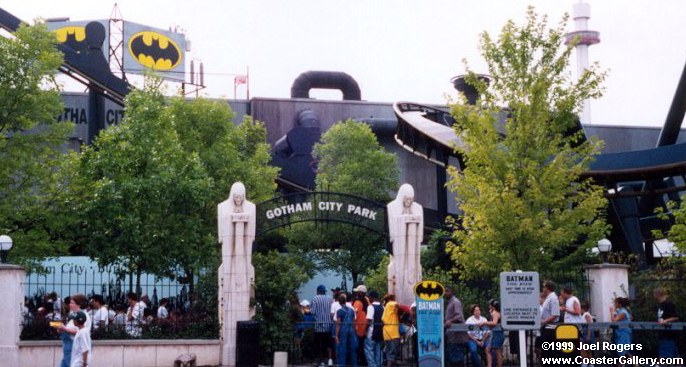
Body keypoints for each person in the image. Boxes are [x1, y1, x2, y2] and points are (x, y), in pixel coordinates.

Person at [53, 294, 91, 367]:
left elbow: (80, 331)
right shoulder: (74, 315)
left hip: (73, 345)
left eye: (72, 303)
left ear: (79, 304)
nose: (70, 305)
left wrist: (64, 328)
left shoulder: (83, 316)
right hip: (68, 347)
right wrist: (61, 329)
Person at [536, 280, 560, 364]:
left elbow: (556, 314)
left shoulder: (553, 298)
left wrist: (544, 321)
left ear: (547, 288)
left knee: (549, 353)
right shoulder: (549, 298)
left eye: (544, 287)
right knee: (546, 352)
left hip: (550, 328)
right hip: (546, 328)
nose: (542, 289)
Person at [653, 287, 680, 358]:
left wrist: (665, 321)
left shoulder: (669, 304)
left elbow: (675, 317)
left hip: (668, 333)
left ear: (658, 294)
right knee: (672, 354)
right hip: (662, 333)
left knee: (666, 354)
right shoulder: (660, 305)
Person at [311, 285, 334, 366]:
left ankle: (320, 361)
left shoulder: (315, 299)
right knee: (328, 344)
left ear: (318, 291)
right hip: (329, 326)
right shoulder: (330, 299)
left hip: (319, 327)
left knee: (319, 344)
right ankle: (329, 360)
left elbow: (313, 312)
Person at [444, 286, 467, 367]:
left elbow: (459, 317)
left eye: (447, 291)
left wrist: (450, 321)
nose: (445, 293)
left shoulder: (455, 302)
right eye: (445, 291)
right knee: (453, 358)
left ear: (452, 292)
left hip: (456, 336)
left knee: (457, 359)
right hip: (452, 335)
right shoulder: (450, 302)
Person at [335, 293, 358, 367]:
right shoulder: (351, 310)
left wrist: (336, 335)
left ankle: (342, 365)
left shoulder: (339, 311)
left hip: (343, 330)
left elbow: (338, 324)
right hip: (351, 330)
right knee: (352, 349)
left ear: (339, 302)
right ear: (345, 301)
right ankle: (354, 364)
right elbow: (354, 322)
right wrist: (355, 332)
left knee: (343, 348)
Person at [480, 299, 503, 367]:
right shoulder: (497, 312)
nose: (489, 306)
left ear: (493, 306)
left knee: (498, 352)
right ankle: (489, 365)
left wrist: (484, 323)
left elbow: (494, 323)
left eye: (490, 305)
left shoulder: (495, 313)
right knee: (488, 350)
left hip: (497, 334)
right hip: (496, 333)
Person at [610, 297, 633, 362]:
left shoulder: (623, 312)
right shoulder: (620, 311)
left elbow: (614, 321)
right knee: (627, 352)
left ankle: (623, 364)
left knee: (622, 352)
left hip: (624, 334)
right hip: (620, 333)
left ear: (619, 304)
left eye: (616, 303)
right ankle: (635, 365)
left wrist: (611, 312)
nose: (615, 304)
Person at [365, 291, 384, 367]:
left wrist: (365, 330)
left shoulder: (370, 307)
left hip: (371, 332)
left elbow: (369, 320)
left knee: (369, 350)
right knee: (379, 351)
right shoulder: (383, 307)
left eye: (369, 297)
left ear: (372, 297)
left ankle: (372, 365)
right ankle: (379, 365)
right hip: (380, 332)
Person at [382, 294, 401, 367]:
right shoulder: (391, 304)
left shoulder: (386, 307)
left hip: (386, 332)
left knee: (389, 353)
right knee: (392, 354)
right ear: (392, 298)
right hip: (393, 333)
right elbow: (397, 305)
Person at [352, 285, 369, 366]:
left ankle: (361, 362)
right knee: (362, 347)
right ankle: (364, 362)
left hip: (357, 327)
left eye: (357, 291)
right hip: (365, 327)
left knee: (357, 347)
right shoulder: (367, 300)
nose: (356, 293)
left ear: (360, 292)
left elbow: (354, 315)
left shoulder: (357, 302)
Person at [579, 302, 594, 367]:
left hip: (587, 333)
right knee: (588, 350)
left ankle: (585, 363)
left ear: (583, 308)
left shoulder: (586, 315)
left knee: (583, 349)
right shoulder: (585, 315)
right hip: (586, 333)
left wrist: (588, 335)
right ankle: (590, 364)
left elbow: (589, 325)